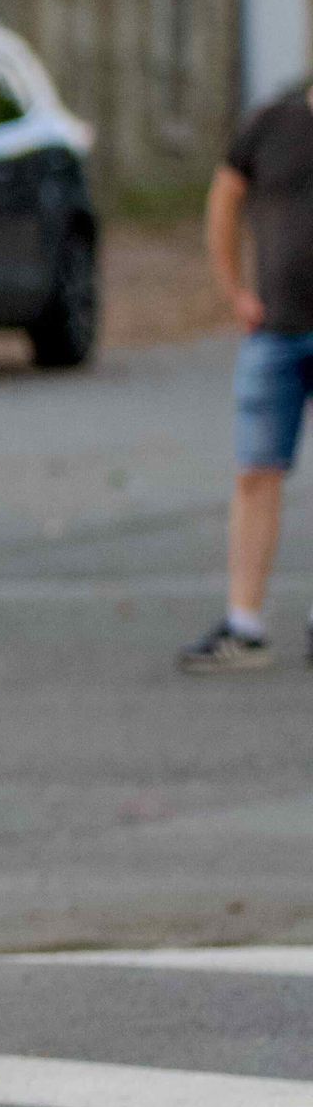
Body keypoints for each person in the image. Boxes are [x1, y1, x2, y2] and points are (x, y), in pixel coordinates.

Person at [181, 75, 313, 668]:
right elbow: (224, 198)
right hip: (276, 331)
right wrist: (233, 289)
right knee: (256, 472)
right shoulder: (272, 123)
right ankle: (244, 623)